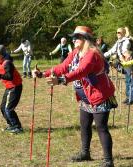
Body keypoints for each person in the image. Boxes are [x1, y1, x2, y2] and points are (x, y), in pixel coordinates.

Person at [33, 26, 115, 167]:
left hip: (99, 95)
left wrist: (61, 80)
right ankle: (85, 153)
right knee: (84, 125)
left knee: (101, 127)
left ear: (86, 39)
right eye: (74, 37)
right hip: (85, 97)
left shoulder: (92, 54)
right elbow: (63, 67)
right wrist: (43, 74)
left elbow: (81, 71)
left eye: (77, 37)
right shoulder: (76, 52)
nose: (74, 39)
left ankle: (108, 161)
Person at [104, 27, 133, 104]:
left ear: (123, 33)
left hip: (129, 62)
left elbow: (124, 50)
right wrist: (102, 55)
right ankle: (129, 97)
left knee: (130, 80)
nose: (117, 34)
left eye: (119, 32)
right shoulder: (118, 42)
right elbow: (111, 51)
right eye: (117, 32)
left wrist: (118, 56)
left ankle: (131, 98)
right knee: (127, 80)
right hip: (123, 63)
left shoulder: (126, 41)